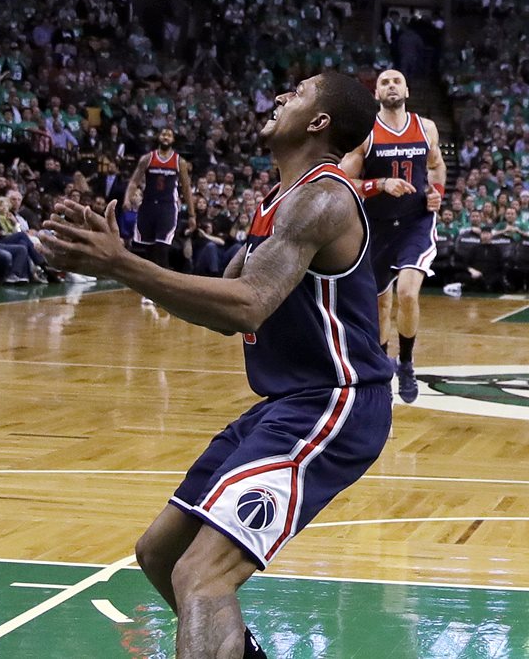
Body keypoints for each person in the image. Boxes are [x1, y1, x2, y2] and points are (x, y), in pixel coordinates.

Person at [41, 74, 392, 659]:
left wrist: (122, 262)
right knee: (161, 554)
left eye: (299, 93)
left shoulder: (323, 197)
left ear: (319, 122)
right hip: (286, 403)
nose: (282, 96)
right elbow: (225, 311)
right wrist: (115, 266)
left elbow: (251, 300)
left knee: (201, 575)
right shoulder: (277, 203)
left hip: (336, 402)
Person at [340, 69, 446, 404]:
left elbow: (436, 165)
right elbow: (343, 181)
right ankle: (381, 366)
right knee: (380, 304)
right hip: (376, 226)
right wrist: (380, 184)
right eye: (384, 82)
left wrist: (437, 191)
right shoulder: (366, 133)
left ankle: (407, 364)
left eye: (396, 80)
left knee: (408, 293)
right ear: (377, 95)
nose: (390, 86)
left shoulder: (425, 127)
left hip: (415, 221)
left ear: (407, 90)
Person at [125, 127, 197, 302]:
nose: (165, 137)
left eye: (169, 135)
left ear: (173, 139)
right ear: (159, 137)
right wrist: (127, 198)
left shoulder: (179, 161)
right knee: (149, 250)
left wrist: (192, 215)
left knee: (162, 249)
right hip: (148, 207)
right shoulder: (147, 158)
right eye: (163, 134)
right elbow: (135, 180)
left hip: (167, 208)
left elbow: (186, 188)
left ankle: (162, 292)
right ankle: (149, 290)